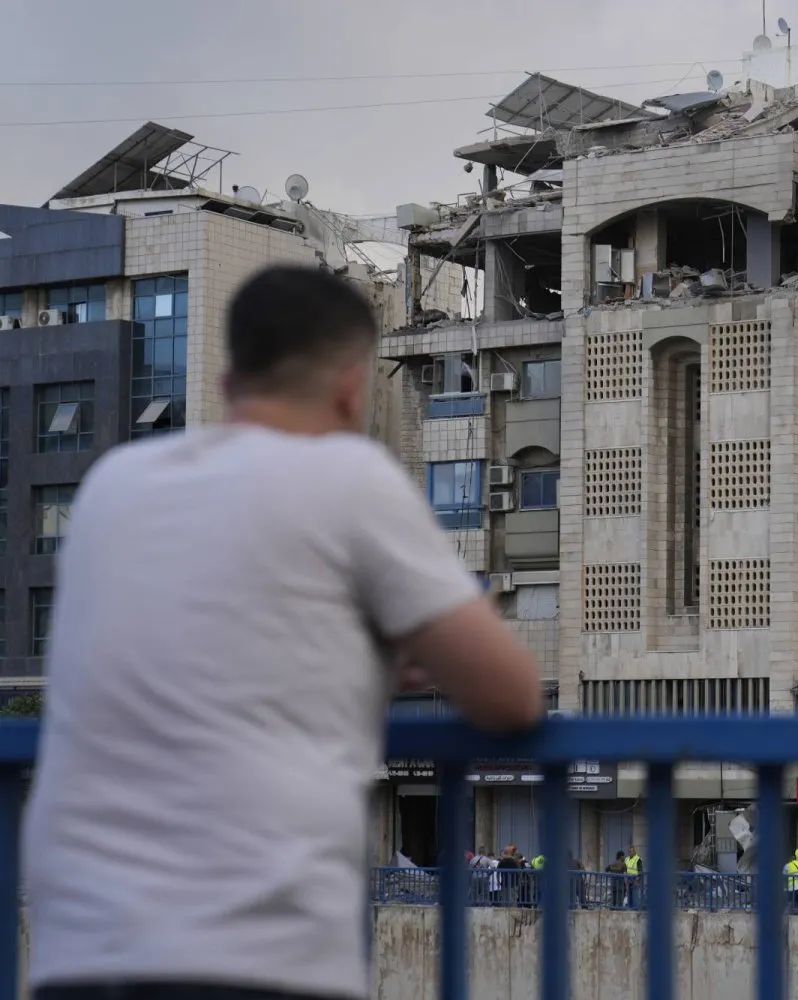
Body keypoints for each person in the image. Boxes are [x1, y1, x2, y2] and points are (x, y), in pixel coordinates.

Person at [22, 264, 544, 1000]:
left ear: (230, 378)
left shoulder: (115, 484)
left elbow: (200, 637)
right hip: (252, 948)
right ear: (351, 386)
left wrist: (345, 661)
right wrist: (381, 657)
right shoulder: (346, 477)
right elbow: (512, 697)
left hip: (80, 949)